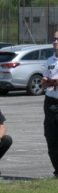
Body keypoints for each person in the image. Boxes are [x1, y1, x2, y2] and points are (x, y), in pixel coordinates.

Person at [42, 31, 58, 178]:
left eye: (57, 39)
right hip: (50, 101)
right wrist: (50, 82)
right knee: (51, 137)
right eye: (53, 38)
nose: (55, 41)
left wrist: (52, 81)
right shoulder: (50, 60)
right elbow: (43, 82)